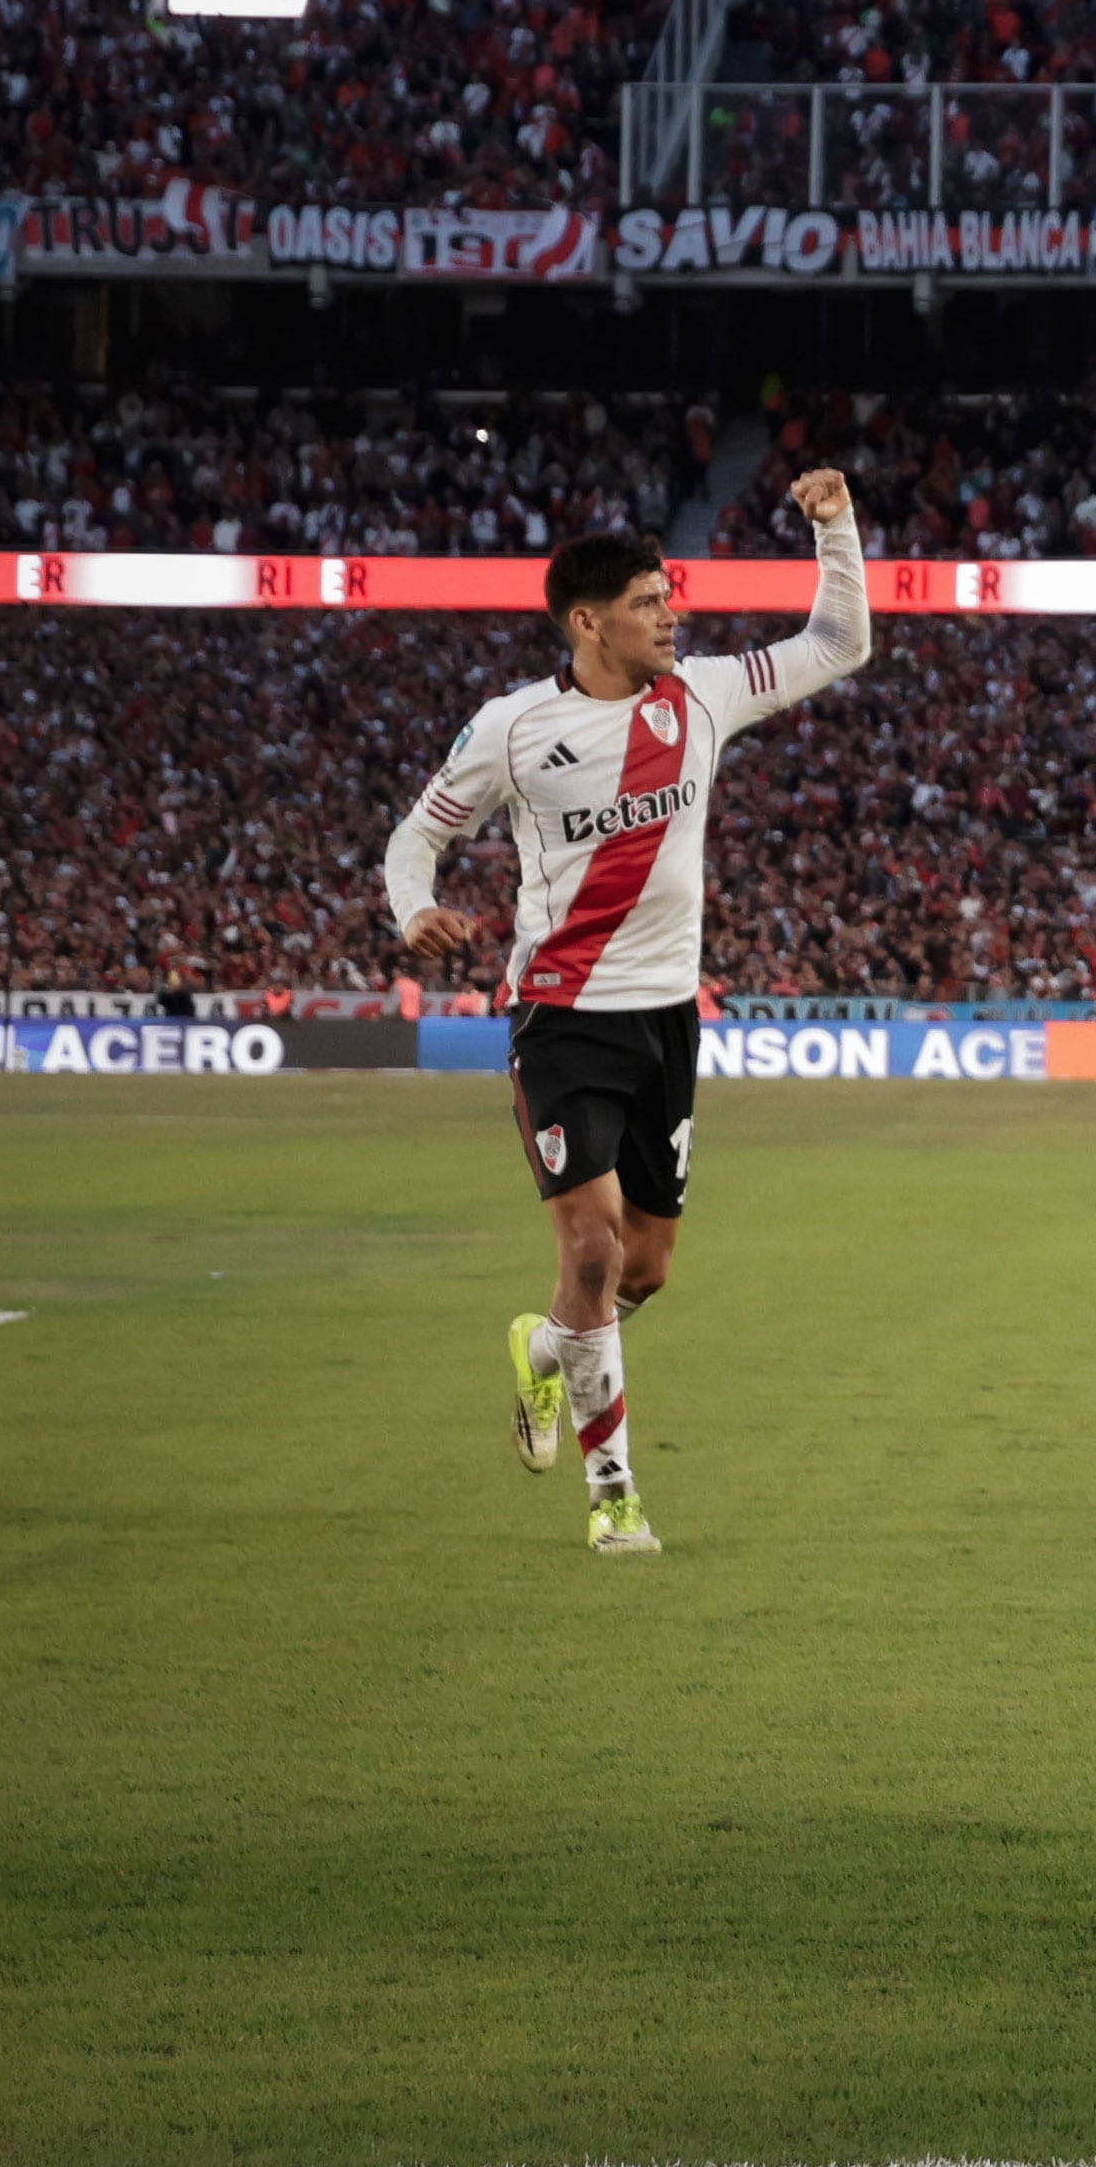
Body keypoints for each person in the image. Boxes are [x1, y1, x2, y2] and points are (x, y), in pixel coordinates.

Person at [384, 482, 870, 1556]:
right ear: (587, 621)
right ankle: (616, 1497)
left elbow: (838, 642)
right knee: (595, 1252)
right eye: (651, 601)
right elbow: (417, 835)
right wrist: (413, 906)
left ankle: (544, 1348)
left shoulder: (701, 697)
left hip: (666, 1023)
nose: (672, 616)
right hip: (559, 1018)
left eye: (671, 596)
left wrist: (835, 526)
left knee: (644, 1269)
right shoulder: (513, 729)